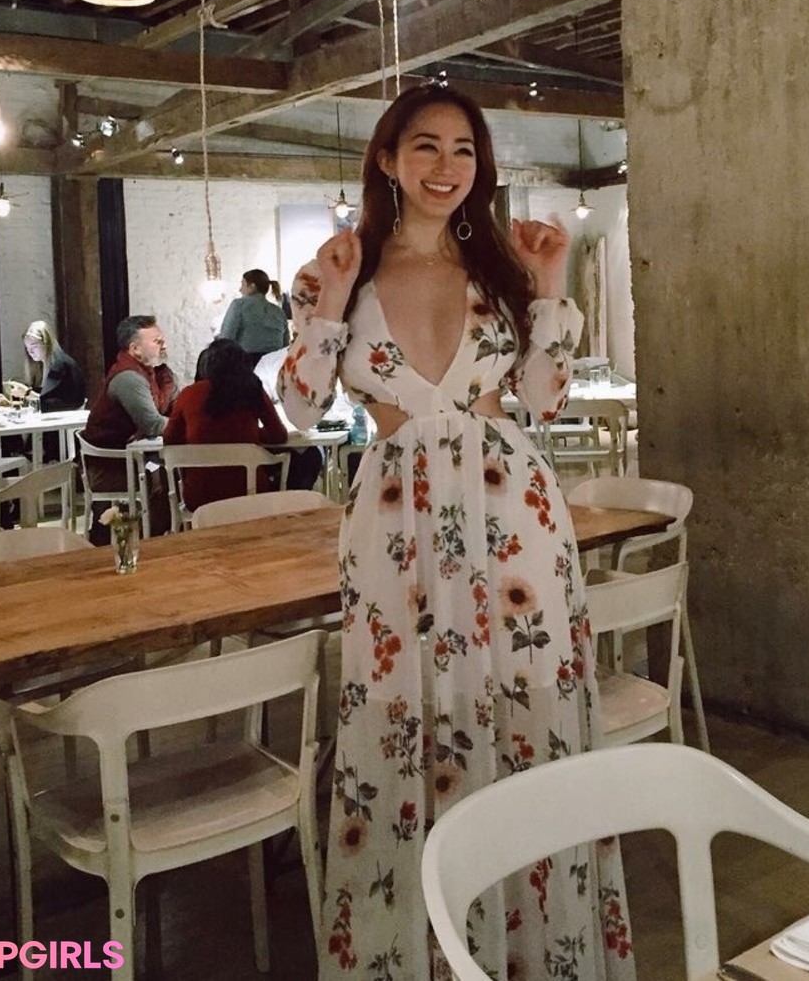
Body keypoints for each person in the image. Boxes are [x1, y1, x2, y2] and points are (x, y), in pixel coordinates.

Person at [278, 85, 633, 981]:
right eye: (426, 146)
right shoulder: (336, 273)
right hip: (395, 524)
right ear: (388, 159)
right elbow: (298, 411)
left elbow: (545, 401)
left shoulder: (499, 269)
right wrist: (332, 301)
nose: (446, 167)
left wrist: (550, 285)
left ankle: (537, 953)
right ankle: (426, 954)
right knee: (405, 720)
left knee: (527, 716)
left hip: (515, 521)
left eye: (464, 149)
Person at [163, 339, 291, 511]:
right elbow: (279, 436)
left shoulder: (189, 394)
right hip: (250, 491)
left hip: (200, 496)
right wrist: (251, 435)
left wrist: (197, 437)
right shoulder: (253, 390)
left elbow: (170, 439)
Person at [80, 315, 178, 538]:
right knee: (170, 474)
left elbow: (170, 409)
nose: (164, 346)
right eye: (158, 342)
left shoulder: (153, 373)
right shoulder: (128, 378)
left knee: (172, 471)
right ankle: (153, 537)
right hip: (109, 466)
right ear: (135, 349)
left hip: (130, 457)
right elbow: (153, 423)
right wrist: (190, 424)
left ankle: (159, 532)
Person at [219, 268, 290, 366]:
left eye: (242, 284)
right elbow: (285, 345)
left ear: (252, 286)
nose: (240, 289)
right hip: (275, 365)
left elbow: (226, 339)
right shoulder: (278, 312)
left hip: (247, 365)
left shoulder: (239, 305)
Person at [18, 320, 86, 412]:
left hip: (68, 416)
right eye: (27, 348)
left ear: (46, 343)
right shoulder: (43, 365)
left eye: (34, 346)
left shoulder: (60, 365)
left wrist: (27, 393)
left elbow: (51, 402)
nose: (30, 352)